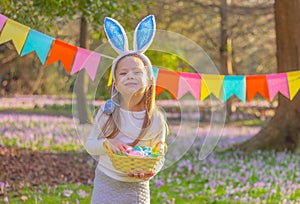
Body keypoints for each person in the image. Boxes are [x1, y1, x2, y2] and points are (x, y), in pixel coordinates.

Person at [85, 15, 168, 204]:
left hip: (136, 188)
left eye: (137, 72)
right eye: (123, 73)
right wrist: (108, 144)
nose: (130, 76)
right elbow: (90, 144)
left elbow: (160, 151)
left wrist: (150, 171)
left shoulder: (155, 118)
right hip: (106, 184)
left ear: (149, 81)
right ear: (115, 84)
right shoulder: (107, 112)